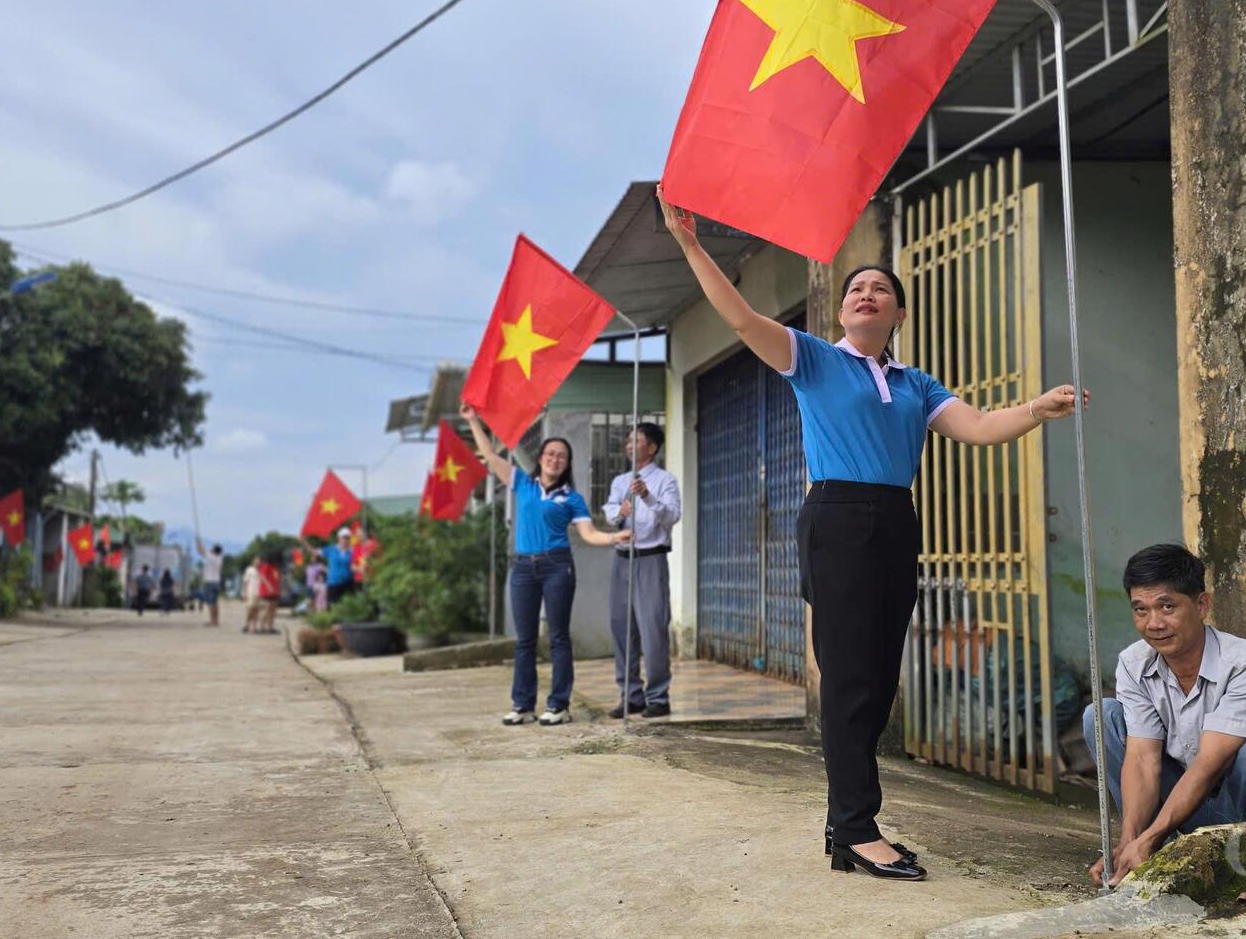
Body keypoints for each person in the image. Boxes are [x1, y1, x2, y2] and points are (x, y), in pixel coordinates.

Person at [662, 188, 1083, 882]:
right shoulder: (814, 360)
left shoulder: (916, 382)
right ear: (841, 308)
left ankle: (843, 824)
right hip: (838, 517)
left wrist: (1036, 408)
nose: (866, 293)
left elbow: (977, 428)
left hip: (895, 520)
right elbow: (738, 319)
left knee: (879, 679)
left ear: (898, 312)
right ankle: (858, 826)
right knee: (851, 677)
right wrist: (690, 245)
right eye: (856, 286)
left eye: (880, 288)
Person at [1083, 544, 1246, 887]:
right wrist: (1130, 841)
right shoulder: (1133, 662)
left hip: (1242, 808)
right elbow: (1142, 759)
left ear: (1201, 605)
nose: (1153, 623)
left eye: (1167, 606)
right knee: (1101, 715)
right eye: (1140, 609)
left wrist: (1149, 836)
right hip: (1184, 805)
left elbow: (1209, 764)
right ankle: (1156, 850)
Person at [460, 401, 630, 726]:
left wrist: (613, 539)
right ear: (540, 459)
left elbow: (589, 534)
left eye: (561, 456)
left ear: (567, 464)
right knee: (525, 640)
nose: (554, 459)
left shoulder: (572, 499)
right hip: (523, 568)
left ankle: (559, 705)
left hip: (557, 568)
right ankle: (522, 705)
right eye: (550, 453)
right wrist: (472, 421)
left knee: (557, 637)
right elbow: (491, 456)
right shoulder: (522, 483)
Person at [601, 421, 681, 719]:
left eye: (638, 440)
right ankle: (630, 694)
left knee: (652, 630)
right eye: (628, 440)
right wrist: (618, 513)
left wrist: (647, 495)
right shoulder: (621, 481)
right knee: (622, 628)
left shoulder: (665, 481)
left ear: (653, 447)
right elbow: (608, 511)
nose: (630, 445)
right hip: (623, 558)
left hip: (650, 559)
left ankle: (658, 696)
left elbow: (672, 515)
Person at [322, 528, 355, 603]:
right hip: (333, 583)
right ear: (339, 538)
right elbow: (315, 551)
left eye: (347, 538)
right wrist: (304, 542)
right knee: (332, 605)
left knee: (347, 605)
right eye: (344, 537)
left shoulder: (351, 550)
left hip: (347, 582)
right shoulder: (332, 549)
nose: (345, 540)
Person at [201, 544, 224, 627]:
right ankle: (216, 621)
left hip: (210, 582)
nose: (211, 549)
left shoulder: (212, 557)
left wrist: (198, 541)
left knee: (211, 603)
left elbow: (201, 551)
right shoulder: (219, 558)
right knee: (215, 602)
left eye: (212, 548)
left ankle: (212, 621)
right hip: (216, 582)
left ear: (214, 551)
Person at [240, 559, 262, 633]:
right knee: (250, 609)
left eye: (259, 561)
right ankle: (247, 625)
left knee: (256, 610)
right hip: (250, 592)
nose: (257, 562)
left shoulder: (262, 570)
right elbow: (246, 581)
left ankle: (254, 627)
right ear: (253, 561)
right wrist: (245, 593)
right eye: (256, 560)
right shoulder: (249, 570)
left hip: (259, 593)